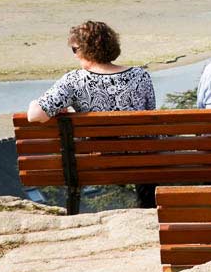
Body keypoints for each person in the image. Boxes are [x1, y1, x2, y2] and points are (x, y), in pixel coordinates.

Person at [26, 20, 157, 207]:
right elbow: (149, 117)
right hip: (141, 163)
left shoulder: (73, 81)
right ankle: (148, 209)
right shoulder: (140, 76)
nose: (74, 55)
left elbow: (35, 115)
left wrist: (35, 103)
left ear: (86, 50)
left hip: (94, 164)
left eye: (74, 49)